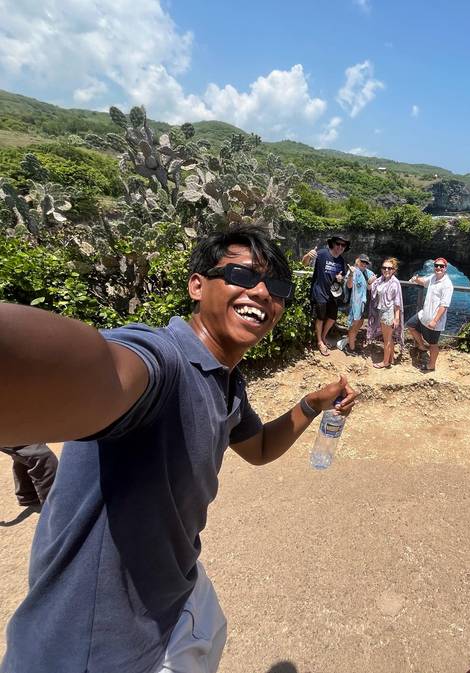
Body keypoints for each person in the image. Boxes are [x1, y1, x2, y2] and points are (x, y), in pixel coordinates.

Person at [0, 225, 357, 673]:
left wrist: (312, 403)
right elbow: (102, 370)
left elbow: (260, 447)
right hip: (99, 646)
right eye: (243, 277)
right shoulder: (164, 360)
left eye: (277, 287)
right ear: (197, 285)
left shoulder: (224, 380)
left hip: (175, 592)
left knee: (212, 627)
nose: (264, 293)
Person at [302, 233, 350, 356]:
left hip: (333, 294)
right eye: (338, 244)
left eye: (343, 245)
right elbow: (304, 263)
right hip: (319, 291)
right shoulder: (322, 253)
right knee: (320, 317)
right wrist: (308, 255)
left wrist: (340, 278)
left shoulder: (341, 260)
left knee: (332, 317)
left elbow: (341, 276)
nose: (340, 247)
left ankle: (323, 337)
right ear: (333, 244)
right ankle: (319, 342)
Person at [405, 257, 454, 372]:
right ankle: (421, 346)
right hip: (423, 315)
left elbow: (444, 305)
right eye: (436, 265)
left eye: (441, 266)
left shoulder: (447, 284)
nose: (438, 268)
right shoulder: (433, 278)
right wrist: (416, 279)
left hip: (434, 320)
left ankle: (431, 365)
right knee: (411, 325)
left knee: (433, 344)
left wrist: (435, 320)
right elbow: (424, 281)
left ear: (445, 268)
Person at [367, 257, 404, 369]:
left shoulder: (395, 282)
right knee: (388, 337)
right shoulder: (381, 280)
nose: (386, 270)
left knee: (387, 339)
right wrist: (370, 281)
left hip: (388, 313)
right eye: (384, 268)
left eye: (389, 268)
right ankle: (391, 358)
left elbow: (397, 302)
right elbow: (371, 288)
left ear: (393, 270)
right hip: (382, 311)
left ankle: (385, 362)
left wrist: (396, 318)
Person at [341, 253, 376, 356]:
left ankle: (351, 342)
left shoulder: (368, 273)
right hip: (355, 303)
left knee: (360, 323)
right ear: (357, 261)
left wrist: (370, 282)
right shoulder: (353, 271)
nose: (364, 264)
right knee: (355, 324)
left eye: (366, 263)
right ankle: (351, 348)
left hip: (364, 303)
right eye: (362, 262)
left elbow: (370, 288)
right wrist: (351, 274)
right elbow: (349, 285)